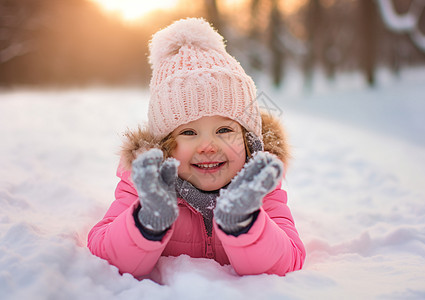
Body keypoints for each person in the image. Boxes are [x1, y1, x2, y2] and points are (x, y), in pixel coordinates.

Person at [87, 18, 305, 279]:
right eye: (188, 132)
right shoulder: (146, 185)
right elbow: (102, 258)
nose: (208, 146)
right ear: (165, 145)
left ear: (248, 141)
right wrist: (147, 220)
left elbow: (289, 260)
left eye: (224, 130)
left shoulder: (257, 187)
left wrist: (246, 221)